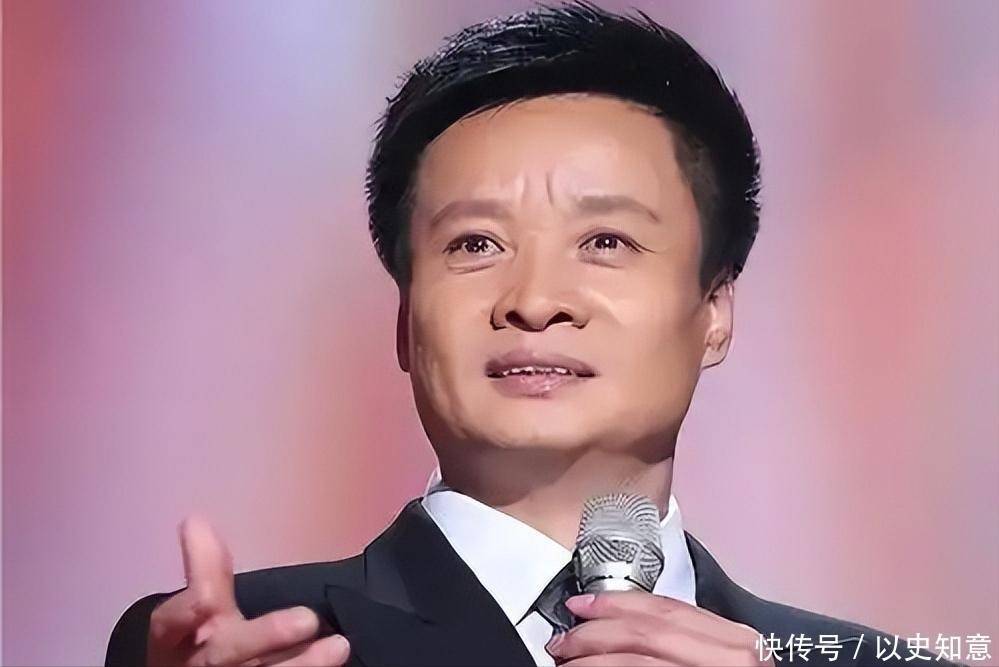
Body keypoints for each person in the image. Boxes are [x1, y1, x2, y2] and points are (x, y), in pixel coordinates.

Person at [105, 3, 963, 666]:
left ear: (714, 310)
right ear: (404, 318)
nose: (535, 300)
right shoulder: (263, 642)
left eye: (606, 242)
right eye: (475, 245)